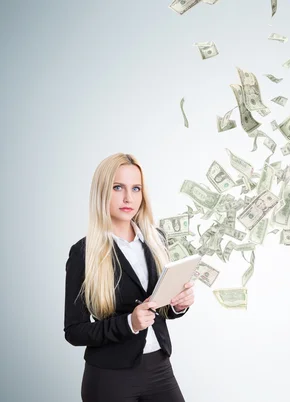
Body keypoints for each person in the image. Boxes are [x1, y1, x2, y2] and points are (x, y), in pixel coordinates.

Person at [63, 152, 195, 401]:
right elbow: (74, 331)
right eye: (117, 187)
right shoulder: (84, 252)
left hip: (159, 367)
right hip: (109, 377)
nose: (128, 198)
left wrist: (177, 306)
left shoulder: (157, 240)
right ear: (102, 191)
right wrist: (129, 324)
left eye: (136, 188)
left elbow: (158, 309)